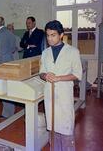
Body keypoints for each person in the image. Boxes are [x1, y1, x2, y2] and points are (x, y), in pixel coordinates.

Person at [39, 20, 82, 151]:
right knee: (52, 128)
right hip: (50, 95)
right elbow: (41, 72)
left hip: (63, 95)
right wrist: (45, 76)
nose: (50, 39)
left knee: (66, 128)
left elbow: (77, 74)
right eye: (47, 35)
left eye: (53, 35)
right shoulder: (45, 52)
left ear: (61, 34)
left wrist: (59, 78)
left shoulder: (72, 51)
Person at [0, 16, 16, 119]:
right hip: (10, 62)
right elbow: (13, 48)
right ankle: (11, 110)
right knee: (10, 88)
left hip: (1, 65)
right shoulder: (10, 34)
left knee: (4, 89)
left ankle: (6, 113)